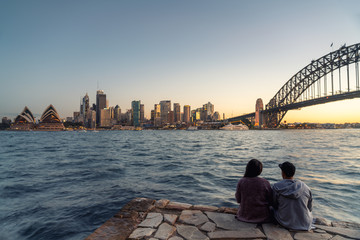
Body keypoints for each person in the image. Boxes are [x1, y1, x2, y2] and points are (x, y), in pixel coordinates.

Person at [272, 161, 313, 231]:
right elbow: (310, 208)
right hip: (305, 224)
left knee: (270, 208)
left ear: (283, 173)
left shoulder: (276, 187)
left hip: (285, 223)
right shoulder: (305, 187)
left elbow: (274, 204)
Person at [235, 159, 272, 223]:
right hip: (263, 216)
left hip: (244, 216)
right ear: (259, 170)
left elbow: (238, 200)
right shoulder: (265, 182)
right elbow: (271, 201)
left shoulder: (241, 181)